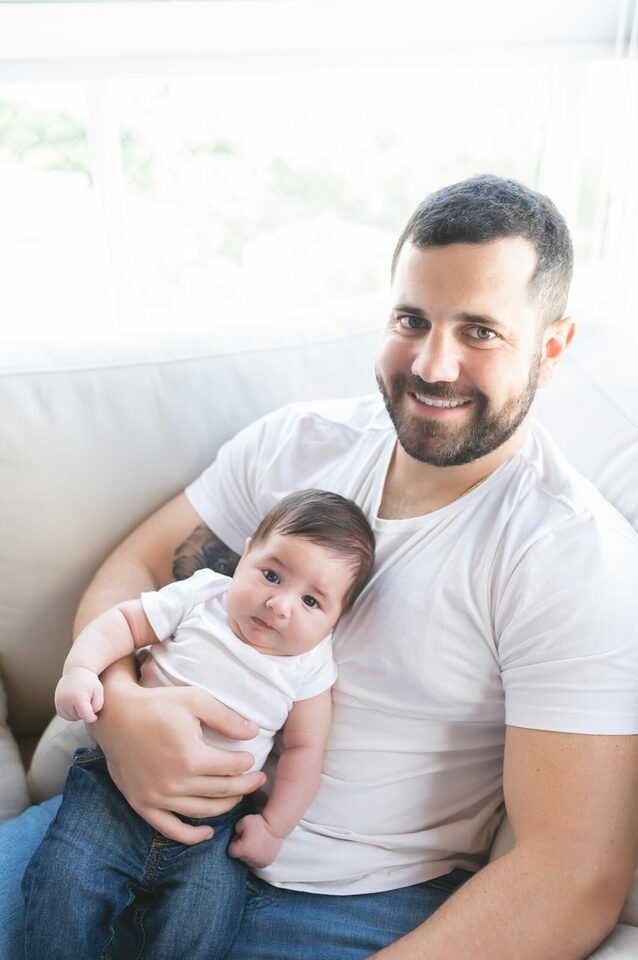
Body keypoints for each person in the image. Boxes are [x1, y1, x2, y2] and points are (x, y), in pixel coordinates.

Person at [2, 174, 638, 960]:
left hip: (345, 905)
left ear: (551, 349)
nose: (434, 365)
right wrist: (122, 712)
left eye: (480, 331)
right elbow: (136, 565)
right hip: (120, 813)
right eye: (412, 320)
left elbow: (572, 874)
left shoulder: (572, 561)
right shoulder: (299, 444)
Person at [22, 490, 375, 960]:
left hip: (215, 828)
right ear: (246, 554)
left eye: (311, 601)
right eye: (271, 575)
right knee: (64, 886)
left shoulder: (310, 666)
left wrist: (274, 827)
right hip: (114, 786)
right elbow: (123, 621)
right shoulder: (202, 596)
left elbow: (305, 750)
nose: (279, 604)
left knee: (204, 920)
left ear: (336, 619)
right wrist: (82, 669)